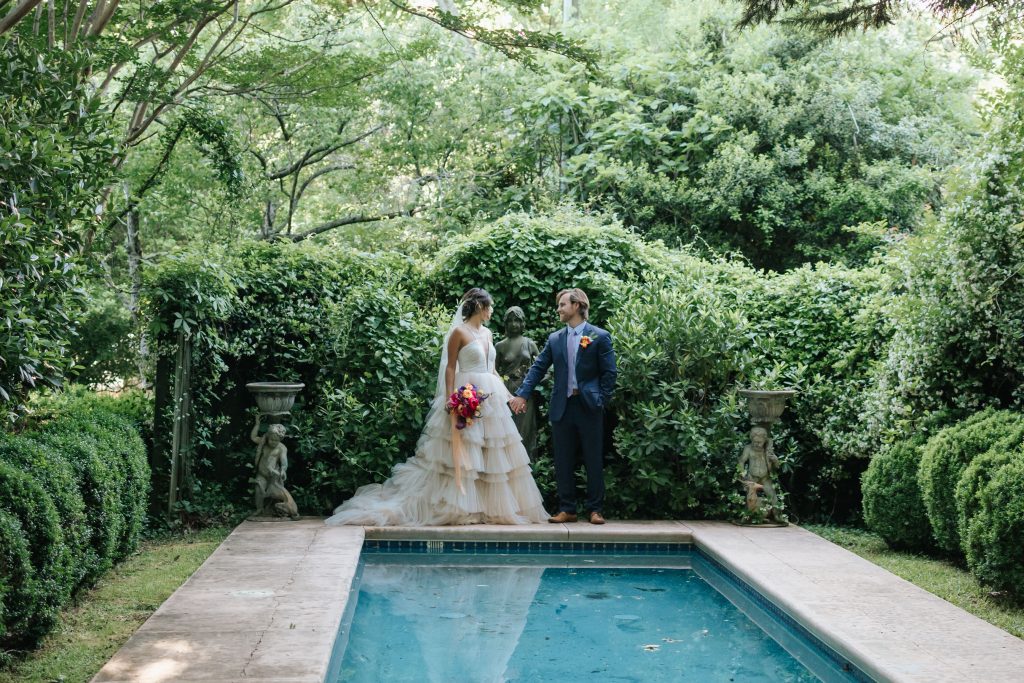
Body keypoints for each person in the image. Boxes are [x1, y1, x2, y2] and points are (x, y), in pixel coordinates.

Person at [326, 288, 548, 526]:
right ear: (479, 306)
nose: (492, 311)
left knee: (492, 454)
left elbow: (491, 369)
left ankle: (488, 507)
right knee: (465, 451)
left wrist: (509, 396)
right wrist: (451, 398)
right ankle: (461, 505)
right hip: (467, 392)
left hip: (490, 397)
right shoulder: (459, 332)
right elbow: (450, 367)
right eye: (489, 306)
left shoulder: (488, 333)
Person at [509, 288, 617, 525]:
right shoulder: (555, 339)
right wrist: (522, 395)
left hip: (589, 406)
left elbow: (610, 373)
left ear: (577, 306)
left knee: (593, 459)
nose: (558, 309)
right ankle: (568, 509)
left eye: (562, 305)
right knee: (563, 460)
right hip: (562, 406)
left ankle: (595, 510)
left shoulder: (599, 336)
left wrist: (600, 400)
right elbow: (538, 367)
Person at [494, 306, 541, 460]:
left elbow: (542, 369)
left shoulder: (529, 344)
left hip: (526, 392)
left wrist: (534, 381)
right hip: (506, 392)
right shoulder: (500, 346)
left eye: (517, 320)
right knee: (507, 429)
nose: (514, 324)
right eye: (510, 320)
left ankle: (527, 464)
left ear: (522, 323)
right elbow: (493, 372)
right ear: (505, 323)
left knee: (525, 430)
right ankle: (507, 464)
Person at [251, 416, 299, 519]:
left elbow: (284, 463)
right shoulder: (264, 443)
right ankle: (259, 509)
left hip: (273, 476)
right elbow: (253, 437)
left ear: (280, 439)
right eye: (271, 440)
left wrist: (283, 470)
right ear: (268, 437)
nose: (273, 442)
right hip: (262, 473)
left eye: (276, 440)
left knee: (275, 495)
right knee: (258, 490)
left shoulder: (282, 448)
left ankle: (276, 510)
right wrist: (257, 424)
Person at [737, 426, 780, 514]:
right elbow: (741, 461)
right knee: (750, 497)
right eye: (755, 442)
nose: (757, 444)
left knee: (773, 496)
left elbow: (777, 467)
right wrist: (742, 474)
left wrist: (776, 460)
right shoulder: (748, 448)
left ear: (764, 440)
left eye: (760, 442)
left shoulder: (768, 450)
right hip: (752, 478)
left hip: (765, 478)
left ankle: (777, 515)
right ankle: (749, 515)